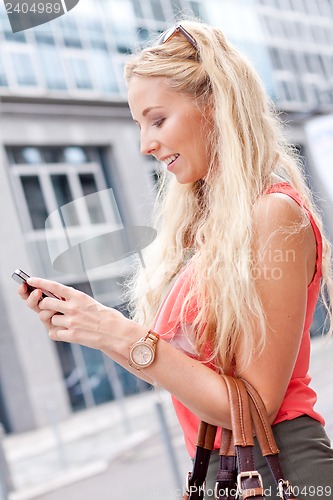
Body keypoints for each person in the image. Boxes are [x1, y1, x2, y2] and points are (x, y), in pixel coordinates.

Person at [18, 20, 333, 498]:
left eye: (157, 119)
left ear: (214, 107)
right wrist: (94, 327)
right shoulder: (213, 232)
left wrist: (115, 331)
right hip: (223, 471)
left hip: (279, 470)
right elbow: (189, 374)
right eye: (139, 125)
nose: (145, 144)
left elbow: (254, 406)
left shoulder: (274, 214)